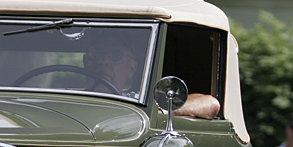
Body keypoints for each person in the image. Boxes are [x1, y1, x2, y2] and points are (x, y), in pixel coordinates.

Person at [82, 42, 221, 119]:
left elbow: (210, 104)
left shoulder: (141, 103)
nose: (103, 62)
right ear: (85, 62)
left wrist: (163, 111)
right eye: (97, 54)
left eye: (116, 56)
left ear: (131, 69)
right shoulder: (65, 98)